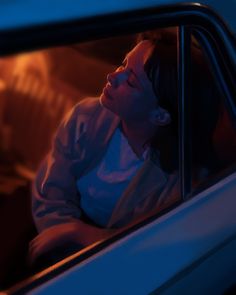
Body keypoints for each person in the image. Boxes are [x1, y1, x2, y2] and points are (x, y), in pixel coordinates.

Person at [29, 32, 220, 267]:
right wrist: (64, 241)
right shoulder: (86, 117)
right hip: (55, 244)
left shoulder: (179, 181)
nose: (112, 76)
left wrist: (80, 234)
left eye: (130, 81)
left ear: (160, 115)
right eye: (123, 64)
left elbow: (144, 245)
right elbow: (50, 189)